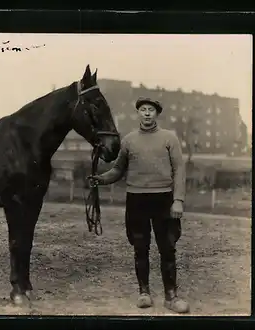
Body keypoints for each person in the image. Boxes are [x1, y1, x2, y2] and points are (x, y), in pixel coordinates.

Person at [89, 97, 189, 314]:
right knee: (140, 248)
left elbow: (179, 170)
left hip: (164, 199)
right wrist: (100, 179)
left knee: (167, 248)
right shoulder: (128, 141)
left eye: (150, 110)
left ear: (156, 114)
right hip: (136, 200)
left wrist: (178, 200)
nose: (146, 113)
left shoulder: (169, 138)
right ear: (138, 113)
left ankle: (171, 296)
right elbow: (118, 170)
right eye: (142, 110)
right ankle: (144, 292)